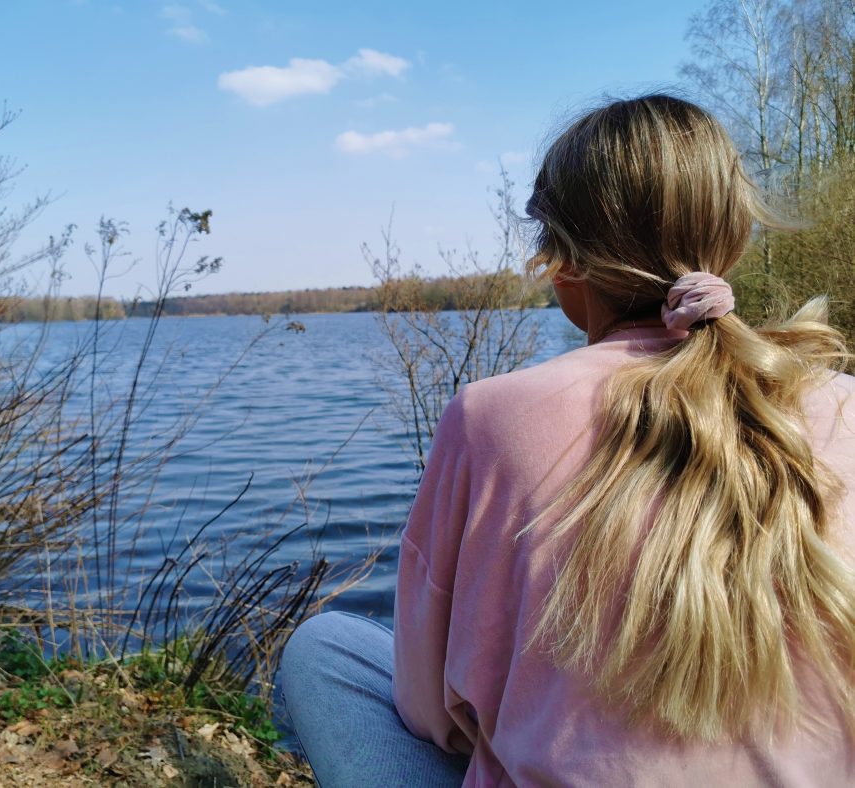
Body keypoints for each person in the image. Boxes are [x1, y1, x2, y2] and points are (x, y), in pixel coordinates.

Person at [278, 94, 855, 787]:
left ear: (565, 263)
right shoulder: (841, 405)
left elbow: (432, 713)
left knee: (324, 649)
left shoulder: (492, 418)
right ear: (733, 240)